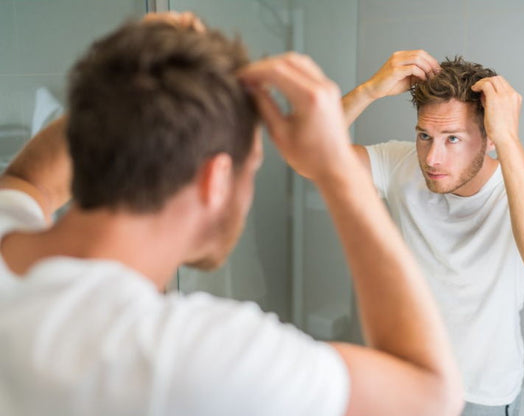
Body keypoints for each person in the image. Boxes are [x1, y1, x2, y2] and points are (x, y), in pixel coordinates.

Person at [0, 13, 464, 416]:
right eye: (253, 165)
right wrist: (334, 168)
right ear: (215, 179)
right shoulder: (190, 358)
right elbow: (432, 393)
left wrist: (130, 77)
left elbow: (26, 181)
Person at [343, 51, 524, 415]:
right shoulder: (400, 164)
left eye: (452, 138)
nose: (432, 158)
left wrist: (509, 139)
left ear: (488, 139)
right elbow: (305, 155)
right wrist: (367, 91)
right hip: (405, 381)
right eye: (425, 135)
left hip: (480, 395)